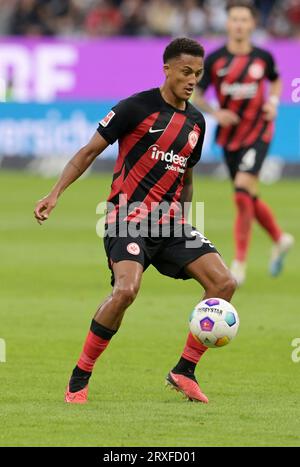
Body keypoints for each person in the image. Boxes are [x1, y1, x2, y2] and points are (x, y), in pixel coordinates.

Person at [34, 37, 236, 404]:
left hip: (170, 224)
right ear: (168, 69)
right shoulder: (135, 107)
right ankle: (80, 377)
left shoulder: (196, 122)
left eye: (198, 74)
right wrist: (55, 193)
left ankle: (184, 371)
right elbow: (88, 152)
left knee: (224, 283)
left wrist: (185, 222)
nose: (192, 80)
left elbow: (186, 177)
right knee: (126, 290)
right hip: (126, 219)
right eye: (186, 72)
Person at [194, 0, 294, 286]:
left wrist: (273, 103)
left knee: (240, 192)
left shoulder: (263, 57)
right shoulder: (214, 60)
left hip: (259, 130)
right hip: (230, 136)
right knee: (247, 195)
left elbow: (276, 81)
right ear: (228, 24)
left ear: (252, 24)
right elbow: (196, 94)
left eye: (243, 20)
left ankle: (239, 263)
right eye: (234, 19)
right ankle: (279, 237)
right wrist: (216, 112)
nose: (239, 24)